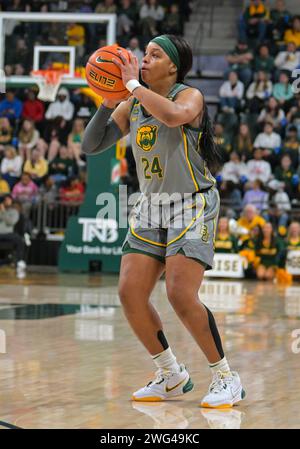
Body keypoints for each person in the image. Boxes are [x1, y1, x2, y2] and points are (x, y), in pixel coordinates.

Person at [82, 34, 245, 408]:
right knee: (129, 292)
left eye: (154, 55)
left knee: (179, 292)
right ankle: (171, 373)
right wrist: (108, 103)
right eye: (145, 53)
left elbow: (172, 117)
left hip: (191, 202)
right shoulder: (132, 105)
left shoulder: (189, 96)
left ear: (173, 66)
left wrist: (132, 87)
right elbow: (91, 145)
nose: (144, 59)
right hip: (152, 205)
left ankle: (225, 377)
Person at [0, 194, 26, 274]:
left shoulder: (14, 212)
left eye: (9, 200)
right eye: (6, 200)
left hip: (8, 234)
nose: (7, 202)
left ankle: (19, 261)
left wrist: (3, 211)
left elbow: (10, 222)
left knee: (19, 239)